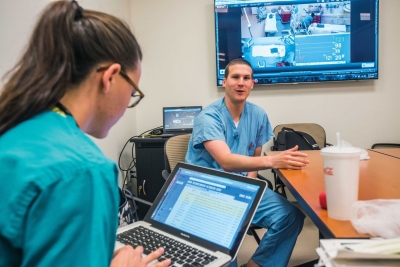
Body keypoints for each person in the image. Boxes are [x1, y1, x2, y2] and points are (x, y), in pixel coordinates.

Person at [0, 1, 170, 267]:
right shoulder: (82, 170)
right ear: (111, 77)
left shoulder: (15, 125)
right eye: (133, 93)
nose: (128, 104)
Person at [185, 59, 309, 267]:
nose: (240, 83)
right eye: (235, 77)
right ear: (224, 82)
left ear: (253, 83)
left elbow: (254, 158)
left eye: (246, 78)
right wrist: (273, 160)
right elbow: (226, 162)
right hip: (206, 191)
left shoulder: (258, 115)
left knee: (290, 217)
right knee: (224, 256)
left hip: (240, 187)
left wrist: (249, 190)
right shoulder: (208, 117)